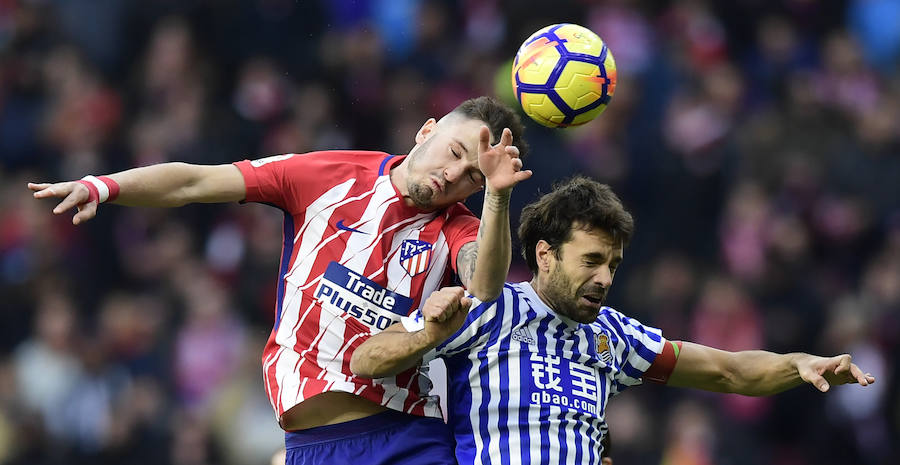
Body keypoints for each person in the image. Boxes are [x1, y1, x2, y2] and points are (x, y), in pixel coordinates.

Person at [29, 96, 533, 464]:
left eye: (473, 174)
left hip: (409, 436)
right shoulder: (327, 175)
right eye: (454, 151)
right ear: (426, 131)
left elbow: (485, 286)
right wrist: (105, 185)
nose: (455, 174)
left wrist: (497, 196)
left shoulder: (464, 227)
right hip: (312, 442)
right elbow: (194, 181)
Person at [350, 176, 876, 465]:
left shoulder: (614, 337)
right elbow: (365, 359)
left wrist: (799, 363)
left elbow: (728, 371)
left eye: (614, 266)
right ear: (546, 254)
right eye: (592, 261)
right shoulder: (486, 310)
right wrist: (428, 335)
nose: (605, 278)